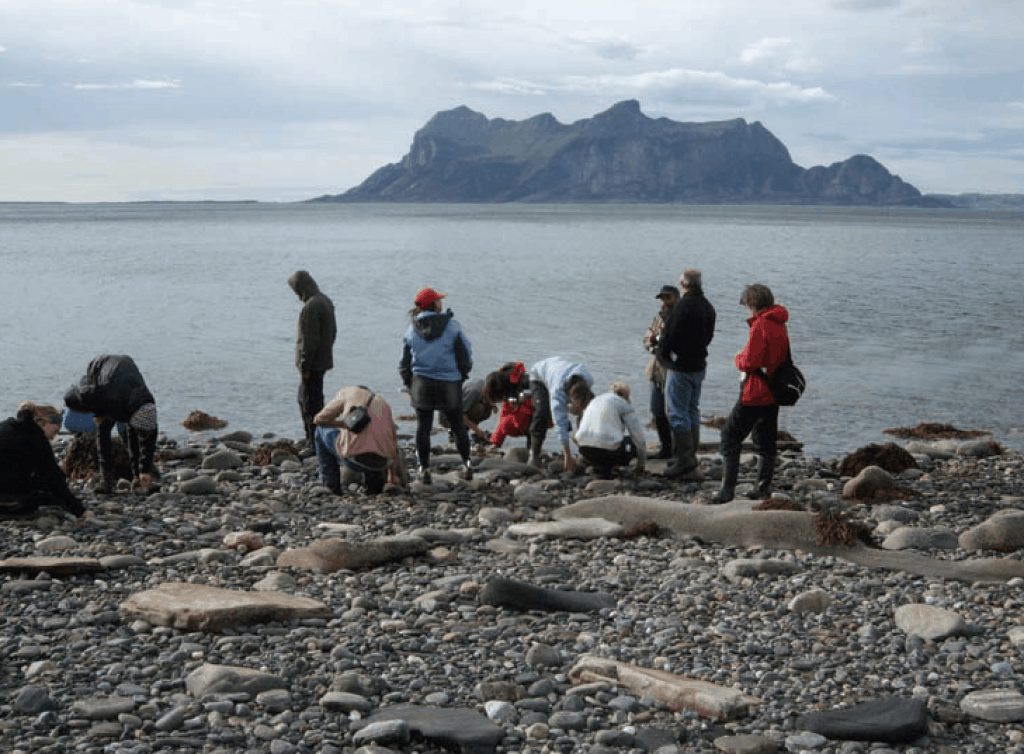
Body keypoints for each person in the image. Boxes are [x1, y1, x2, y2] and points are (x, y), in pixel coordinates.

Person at [712, 283, 790, 503]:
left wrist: (738, 358)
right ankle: (762, 488)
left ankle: (727, 491)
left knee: (729, 436)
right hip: (774, 390)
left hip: (755, 391)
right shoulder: (779, 323)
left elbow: (750, 361)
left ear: (753, 303)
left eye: (747, 304)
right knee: (765, 441)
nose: (747, 309)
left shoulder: (761, 324)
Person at [399, 287, 474, 484]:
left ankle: (424, 469)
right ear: (435, 304)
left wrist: (410, 384)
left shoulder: (412, 329)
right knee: (457, 426)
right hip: (449, 382)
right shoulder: (452, 326)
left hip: (422, 384)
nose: (441, 302)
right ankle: (467, 465)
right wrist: (461, 376)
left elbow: (404, 363)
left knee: (423, 428)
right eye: (439, 300)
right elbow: (465, 355)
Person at [64, 354, 159, 494]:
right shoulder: (104, 395)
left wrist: (144, 470)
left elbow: (148, 443)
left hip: (126, 382)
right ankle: (106, 480)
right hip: (99, 368)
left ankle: (137, 478)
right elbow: (69, 398)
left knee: (132, 435)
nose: (143, 432)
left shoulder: (148, 408)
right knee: (103, 431)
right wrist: (97, 412)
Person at [656, 269, 716, 480]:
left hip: (681, 366)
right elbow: (709, 336)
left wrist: (663, 355)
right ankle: (689, 457)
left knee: (677, 413)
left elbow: (670, 336)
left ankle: (684, 460)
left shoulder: (682, 307)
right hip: (699, 364)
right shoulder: (708, 307)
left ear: (683, 284)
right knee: (692, 410)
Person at [314, 386, 406, 494]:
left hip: (355, 460)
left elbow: (318, 419)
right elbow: (393, 442)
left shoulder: (347, 392)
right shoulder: (383, 402)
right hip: (383, 462)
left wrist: (344, 424)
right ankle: (374, 486)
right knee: (372, 440)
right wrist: (392, 475)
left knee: (320, 429)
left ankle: (331, 485)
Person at [0, 402, 87, 517]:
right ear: (43, 423)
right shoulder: (35, 438)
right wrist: (80, 511)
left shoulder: (6, 425)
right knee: (43, 498)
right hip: (6, 496)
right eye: (55, 431)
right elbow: (53, 477)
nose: (53, 437)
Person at [288, 270, 337, 446]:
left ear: (301, 288)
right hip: (322, 361)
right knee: (315, 400)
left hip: (312, 365)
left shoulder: (311, 307)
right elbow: (332, 333)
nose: (296, 295)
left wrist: (305, 366)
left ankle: (314, 441)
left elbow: (309, 341)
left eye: (296, 291)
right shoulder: (325, 300)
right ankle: (317, 438)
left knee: (307, 402)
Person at [527, 356, 594, 473]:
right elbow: (559, 422)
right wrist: (567, 454)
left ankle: (585, 450)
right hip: (539, 376)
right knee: (542, 413)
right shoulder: (557, 392)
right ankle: (534, 454)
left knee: (589, 411)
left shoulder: (588, 379)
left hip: (561, 369)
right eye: (576, 405)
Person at [571, 382, 647, 479]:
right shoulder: (623, 404)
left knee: (601, 441)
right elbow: (639, 438)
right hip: (608, 452)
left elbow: (577, 434)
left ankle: (598, 466)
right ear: (626, 395)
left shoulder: (595, 400)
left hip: (584, 449)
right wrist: (641, 465)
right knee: (631, 442)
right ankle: (610, 465)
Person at [643, 284, 679, 459]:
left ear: (676, 297)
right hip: (655, 370)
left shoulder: (680, 317)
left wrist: (658, 340)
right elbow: (646, 339)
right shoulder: (657, 318)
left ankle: (678, 450)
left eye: (668, 297)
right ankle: (665, 448)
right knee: (656, 410)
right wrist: (652, 344)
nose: (665, 301)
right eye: (662, 298)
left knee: (675, 412)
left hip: (673, 370)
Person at [482, 361, 536, 449]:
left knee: (515, 420)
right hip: (521, 423)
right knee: (505, 420)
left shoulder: (527, 385)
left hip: (533, 420)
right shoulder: (509, 393)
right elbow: (504, 417)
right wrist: (495, 442)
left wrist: (519, 406)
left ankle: (533, 447)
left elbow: (534, 411)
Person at [439, 378, 494, 446]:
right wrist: (477, 431)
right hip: (446, 417)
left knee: (487, 410)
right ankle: (456, 433)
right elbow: (461, 415)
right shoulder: (473, 392)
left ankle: (466, 431)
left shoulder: (484, 384)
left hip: (459, 410)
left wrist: (491, 404)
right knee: (479, 409)